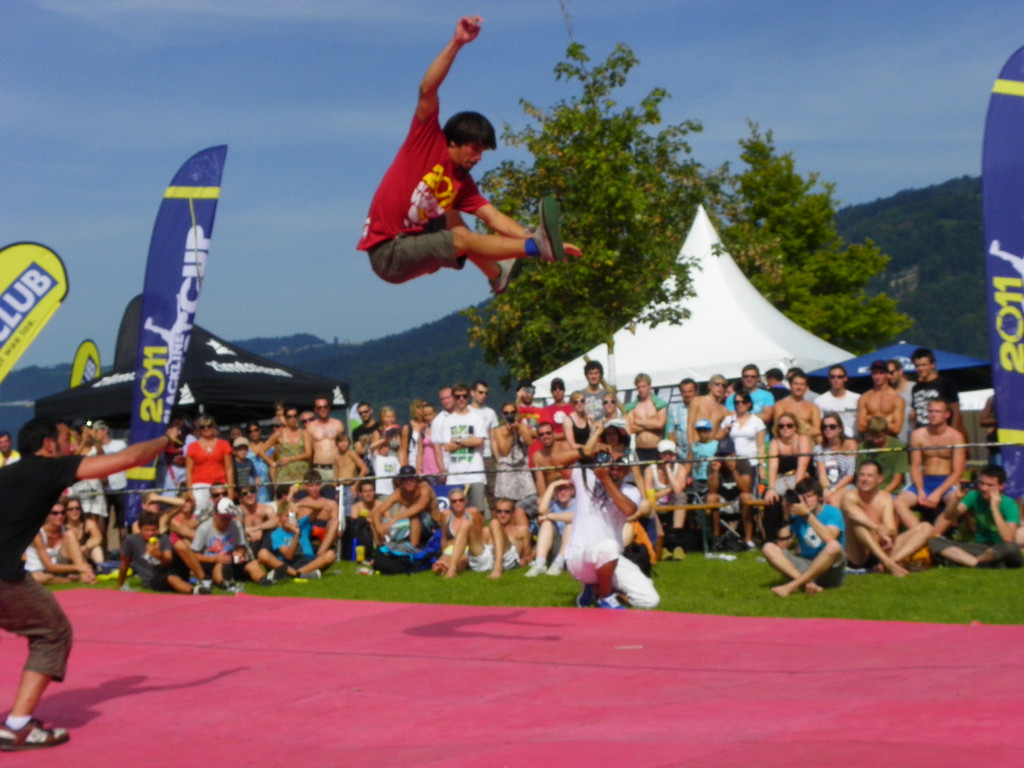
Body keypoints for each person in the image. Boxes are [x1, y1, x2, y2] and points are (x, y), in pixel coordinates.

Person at [356, 15, 580, 294]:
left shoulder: (462, 184)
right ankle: (535, 248)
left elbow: (494, 218)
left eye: (482, 152)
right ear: (452, 142)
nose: (478, 158)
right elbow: (427, 90)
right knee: (460, 236)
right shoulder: (425, 142)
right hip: (389, 252)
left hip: (416, 238)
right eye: (475, 149)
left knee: (450, 215)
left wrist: (542, 237)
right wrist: (457, 42)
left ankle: (497, 272)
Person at [0, 416, 181, 751]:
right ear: (48, 444)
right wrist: (165, 440)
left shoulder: (8, 473)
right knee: (52, 633)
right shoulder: (51, 467)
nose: (72, 445)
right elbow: (130, 458)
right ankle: (17, 726)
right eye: (66, 439)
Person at [556, 444, 660, 610]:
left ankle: (597, 590)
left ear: (627, 471)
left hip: (611, 560)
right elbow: (556, 461)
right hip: (580, 559)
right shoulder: (586, 477)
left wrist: (605, 479)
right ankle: (605, 598)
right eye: (611, 464)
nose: (615, 468)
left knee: (650, 600)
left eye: (620, 465)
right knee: (608, 546)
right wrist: (585, 451)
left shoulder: (630, 491)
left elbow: (628, 510)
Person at [840, 461, 933, 576]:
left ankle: (889, 562)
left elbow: (892, 530)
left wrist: (888, 534)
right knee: (858, 523)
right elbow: (852, 513)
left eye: (870, 476)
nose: (865, 479)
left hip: (881, 550)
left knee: (926, 527)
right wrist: (877, 528)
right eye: (862, 475)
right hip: (858, 555)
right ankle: (889, 564)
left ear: (879, 479)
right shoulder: (850, 496)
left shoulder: (885, 498)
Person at [761, 477, 846, 597]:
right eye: (802, 497)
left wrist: (807, 515)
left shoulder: (833, 512)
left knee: (834, 546)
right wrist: (786, 516)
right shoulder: (798, 516)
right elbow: (782, 546)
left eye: (810, 496)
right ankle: (807, 584)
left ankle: (792, 586)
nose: (806, 501)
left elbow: (830, 538)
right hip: (807, 563)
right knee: (768, 547)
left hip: (830, 568)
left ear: (819, 497)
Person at [929, 465, 1021, 568]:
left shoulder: (1009, 504)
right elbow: (949, 516)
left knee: (1011, 548)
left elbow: (1008, 538)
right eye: (982, 483)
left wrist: (994, 508)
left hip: (1000, 547)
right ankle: (978, 563)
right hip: (979, 547)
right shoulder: (974, 496)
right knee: (934, 541)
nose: (984, 488)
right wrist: (956, 499)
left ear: (1001, 486)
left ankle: (968, 561)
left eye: (990, 485)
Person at [894, 398, 966, 527]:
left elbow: (958, 471)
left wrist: (938, 493)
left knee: (954, 502)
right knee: (899, 502)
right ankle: (922, 534)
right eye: (931, 411)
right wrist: (920, 490)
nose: (933, 415)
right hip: (924, 480)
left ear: (947, 414)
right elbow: (915, 466)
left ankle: (935, 535)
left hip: (946, 481)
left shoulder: (956, 437)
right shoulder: (918, 435)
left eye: (937, 411)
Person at [117, 510, 210, 595]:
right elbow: (125, 564)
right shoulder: (131, 541)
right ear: (140, 529)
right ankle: (195, 591)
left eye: (153, 530)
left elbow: (168, 561)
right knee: (170, 577)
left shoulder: (163, 538)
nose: (150, 533)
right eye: (146, 530)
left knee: (180, 546)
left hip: (171, 570)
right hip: (154, 578)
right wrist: (120, 585)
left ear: (157, 529)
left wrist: (159, 555)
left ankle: (204, 580)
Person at [439, 383, 488, 511]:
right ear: (453, 398)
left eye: (464, 396)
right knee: (455, 512)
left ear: (468, 397)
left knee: (478, 511)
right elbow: (447, 447)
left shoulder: (477, 418)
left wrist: (458, 440)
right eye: (458, 396)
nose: (461, 399)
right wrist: (469, 441)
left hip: (475, 473)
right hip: (455, 475)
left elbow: (479, 441)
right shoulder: (447, 421)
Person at [24, 500, 95, 586]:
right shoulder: (38, 534)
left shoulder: (67, 532)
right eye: (55, 513)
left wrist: (87, 570)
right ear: (47, 515)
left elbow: (79, 555)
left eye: (62, 513)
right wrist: (78, 567)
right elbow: (49, 567)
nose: (59, 516)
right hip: (39, 569)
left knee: (70, 534)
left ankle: (84, 576)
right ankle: (71, 580)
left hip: (60, 566)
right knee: (39, 578)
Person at [491, 402, 540, 521]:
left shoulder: (522, 427)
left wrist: (519, 429)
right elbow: (504, 450)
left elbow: (529, 442)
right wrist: (510, 434)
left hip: (522, 469)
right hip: (507, 471)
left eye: (512, 412)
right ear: (502, 415)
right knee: (507, 505)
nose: (510, 415)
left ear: (517, 414)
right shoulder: (498, 430)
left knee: (526, 504)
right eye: (506, 413)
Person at [525, 478, 575, 577]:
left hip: (574, 549)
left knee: (570, 524)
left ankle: (559, 563)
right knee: (546, 523)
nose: (562, 492)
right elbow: (541, 510)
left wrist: (548, 516)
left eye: (565, 489)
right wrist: (552, 485)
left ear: (572, 491)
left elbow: (574, 516)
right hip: (558, 546)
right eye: (559, 489)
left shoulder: (579, 503)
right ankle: (540, 564)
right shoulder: (553, 505)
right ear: (555, 492)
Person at [185, 414, 234, 514]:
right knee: (200, 514)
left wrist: (231, 489)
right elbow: (188, 471)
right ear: (199, 429)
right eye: (203, 427)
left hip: (220, 484)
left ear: (213, 426)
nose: (206, 428)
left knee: (224, 513)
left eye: (209, 425)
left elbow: (229, 469)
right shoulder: (192, 447)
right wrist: (189, 491)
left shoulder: (224, 444)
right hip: (199, 485)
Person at [909, 347, 963, 434]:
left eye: (924, 365)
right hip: (923, 433)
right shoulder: (916, 388)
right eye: (917, 366)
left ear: (932, 365)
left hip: (943, 432)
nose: (920, 368)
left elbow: (956, 411)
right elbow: (916, 414)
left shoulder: (945, 383)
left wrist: (952, 432)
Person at [855, 415, 908, 495]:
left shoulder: (899, 447)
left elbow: (897, 479)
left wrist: (881, 496)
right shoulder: (863, 447)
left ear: (886, 432)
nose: (876, 441)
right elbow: (859, 476)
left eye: (879, 437)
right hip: (867, 490)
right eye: (872, 437)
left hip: (891, 491)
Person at [814, 412, 858, 506]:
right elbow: (822, 474)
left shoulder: (850, 445)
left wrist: (834, 490)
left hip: (845, 485)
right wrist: (827, 489)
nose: (828, 429)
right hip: (826, 486)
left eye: (832, 426)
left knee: (834, 500)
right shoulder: (819, 448)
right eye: (824, 427)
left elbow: (850, 475)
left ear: (840, 429)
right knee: (827, 500)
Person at [625, 373, 668, 463]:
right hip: (640, 450)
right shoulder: (633, 407)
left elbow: (660, 424)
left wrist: (639, 422)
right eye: (638, 387)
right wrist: (652, 424)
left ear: (649, 387)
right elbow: (630, 429)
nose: (641, 390)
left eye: (643, 386)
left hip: (657, 449)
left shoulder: (659, 404)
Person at [856, 360, 905, 437]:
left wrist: (870, 419)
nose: (877, 377)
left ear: (887, 375)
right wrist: (887, 421)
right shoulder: (865, 397)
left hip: (889, 439)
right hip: (871, 439)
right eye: (875, 373)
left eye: (881, 373)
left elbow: (897, 429)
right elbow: (860, 427)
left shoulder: (896, 398)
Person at [307, 396, 345, 484]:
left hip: (336, 468)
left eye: (325, 407)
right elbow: (309, 451)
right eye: (319, 407)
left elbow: (344, 446)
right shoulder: (310, 427)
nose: (322, 409)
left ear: (329, 408)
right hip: (318, 469)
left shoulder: (338, 424)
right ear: (315, 410)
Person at [814, 365, 860, 438]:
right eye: (833, 377)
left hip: (854, 438)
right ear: (829, 379)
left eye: (840, 377)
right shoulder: (819, 401)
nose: (836, 379)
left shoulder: (857, 398)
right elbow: (818, 426)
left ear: (845, 378)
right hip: (831, 440)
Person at [774, 372, 821, 440]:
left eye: (802, 384)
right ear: (790, 385)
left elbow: (817, 429)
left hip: (807, 440)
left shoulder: (813, 407)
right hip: (787, 440)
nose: (799, 387)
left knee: (819, 438)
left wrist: (801, 436)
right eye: (796, 384)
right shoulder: (780, 405)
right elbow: (778, 427)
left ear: (806, 387)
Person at [687, 375, 729, 447]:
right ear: (710, 386)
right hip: (696, 445)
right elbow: (690, 425)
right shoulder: (697, 401)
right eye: (717, 384)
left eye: (723, 385)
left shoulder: (724, 410)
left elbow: (725, 429)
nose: (720, 387)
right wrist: (691, 446)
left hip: (712, 448)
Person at [665, 378, 698, 459]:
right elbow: (671, 433)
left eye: (690, 391)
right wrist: (675, 451)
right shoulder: (674, 410)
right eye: (684, 392)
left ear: (696, 392)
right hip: (681, 455)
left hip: (700, 453)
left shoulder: (703, 408)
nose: (687, 394)